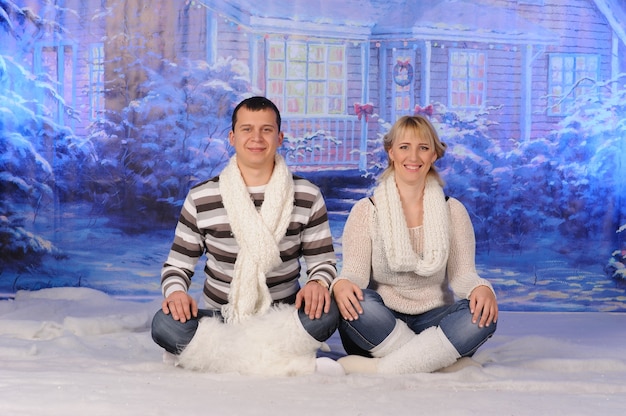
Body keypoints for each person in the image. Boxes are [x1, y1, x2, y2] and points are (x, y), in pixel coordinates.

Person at [151, 96, 340, 376]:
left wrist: (317, 283)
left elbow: (323, 263)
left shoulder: (307, 194)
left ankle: (209, 356)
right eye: (247, 129)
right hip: (221, 316)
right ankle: (285, 360)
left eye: (266, 129)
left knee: (326, 313)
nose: (257, 138)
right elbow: (177, 265)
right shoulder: (202, 196)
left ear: (280, 137)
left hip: (284, 317)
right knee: (164, 325)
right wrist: (177, 293)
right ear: (232, 136)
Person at [332, 115, 498, 374]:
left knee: (481, 317)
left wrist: (481, 288)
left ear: (433, 155)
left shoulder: (452, 210)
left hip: (435, 321)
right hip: (381, 322)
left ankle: (382, 368)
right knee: (357, 303)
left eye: (423, 148)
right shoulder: (366, 210)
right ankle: (438, 362)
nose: (414, 157)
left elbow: (464, 275)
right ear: (391, 153)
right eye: (404, 147)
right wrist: (343, 284)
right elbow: (354, 274)